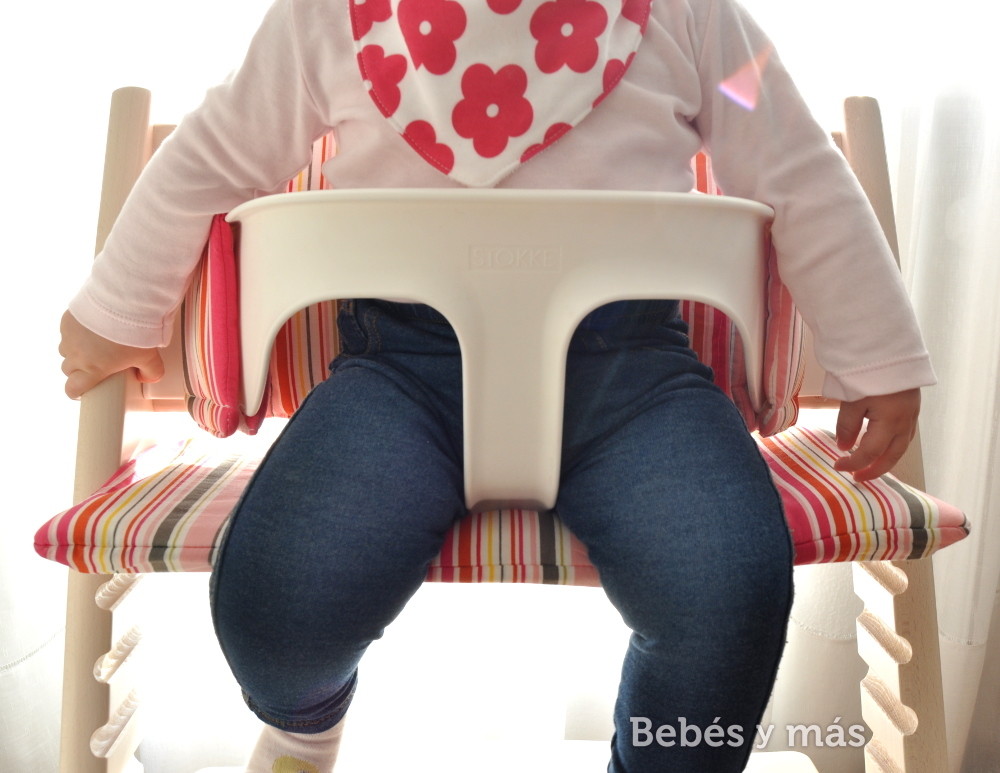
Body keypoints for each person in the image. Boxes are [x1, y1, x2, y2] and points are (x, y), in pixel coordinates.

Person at [58, 0, 934, 770]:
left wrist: (877, 351)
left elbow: (793, 163)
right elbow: (212, 153)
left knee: (730, 589)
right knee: (275, 606)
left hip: (633, 382)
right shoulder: (326, 19)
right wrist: (119, 307)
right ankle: (304, 725)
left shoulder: (699, 20)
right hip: (403, 374)